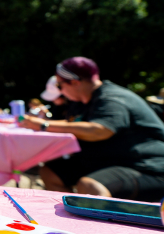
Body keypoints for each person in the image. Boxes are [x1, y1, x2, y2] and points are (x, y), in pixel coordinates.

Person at [19, 57, 164, 202]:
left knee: (90, 186)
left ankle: (102, 222)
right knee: (50, 172)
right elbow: (74, 124)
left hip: (148, 167)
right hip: (113, 160)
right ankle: (73, 214)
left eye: (59, 85)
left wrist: (43, 125)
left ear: (75, 82)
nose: (60, 91)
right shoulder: (85, 101)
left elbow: (100, 130)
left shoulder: (112, 98)